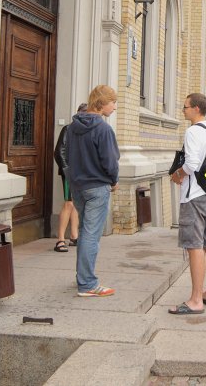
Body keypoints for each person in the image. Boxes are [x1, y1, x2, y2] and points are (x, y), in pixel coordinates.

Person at [168, 92, 206, 314]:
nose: (184, 111)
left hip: (194, 195)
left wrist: (178, 174)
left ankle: (196, 300)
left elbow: (192, 164)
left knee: (194, 246)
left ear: (196, 108)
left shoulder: (192, 132)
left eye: (186, 107)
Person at [67, 85, 119, 297]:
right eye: (112, 102)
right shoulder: (103, 129)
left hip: (78, 186)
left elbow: (68, 155)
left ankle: (82, 276)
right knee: (91, 235)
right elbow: (110, 161)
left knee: (85, 234)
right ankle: (87, 283)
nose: (115, 107)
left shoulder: (72, 127)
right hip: (97, 186)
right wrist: (113, 180)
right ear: (101, 104)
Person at [52, 102, 86, 253]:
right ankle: (60, 239)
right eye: (83, 113)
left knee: (76, 204)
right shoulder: (68, 129)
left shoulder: (86, 131)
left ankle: (74, 236)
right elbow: (59, 151)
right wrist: (67, 171)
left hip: (82, 174)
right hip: (71, 173)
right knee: (69, 204)